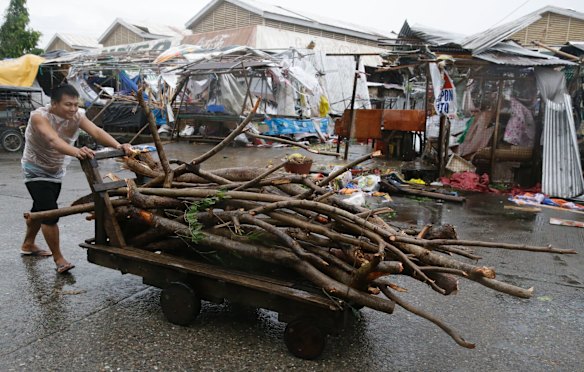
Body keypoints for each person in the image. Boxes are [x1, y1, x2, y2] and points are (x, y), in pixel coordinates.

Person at [20, 84, 133, 274]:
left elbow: (96, 132)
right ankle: (59, 259)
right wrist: (77, 152)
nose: (73, 109)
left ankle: (28, 244)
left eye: (75, 104)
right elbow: (53, 141)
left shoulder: (78, 115)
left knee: (40, 208)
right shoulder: (39, 116)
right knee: (49, 212)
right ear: (54, 104)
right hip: (35, 168)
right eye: (67, 105)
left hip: (56, 169)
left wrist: (119, 146)